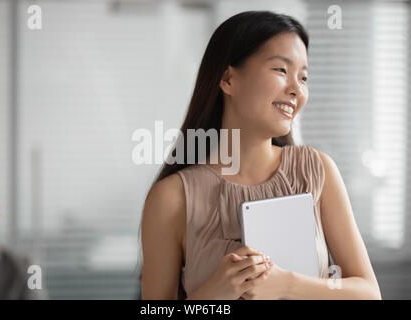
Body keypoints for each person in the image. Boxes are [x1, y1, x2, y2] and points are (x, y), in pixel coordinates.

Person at [139, 11, 381, 300]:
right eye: (281, 70)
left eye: (303, 77)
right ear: (228, 79)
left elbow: (368, 293)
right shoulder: (171, 198)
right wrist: (215, 294)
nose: (297, 89)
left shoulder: (317, 171)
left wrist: (288, 284)